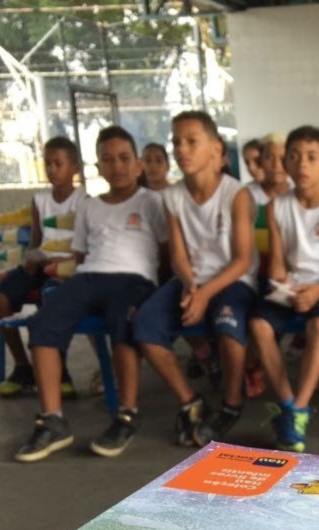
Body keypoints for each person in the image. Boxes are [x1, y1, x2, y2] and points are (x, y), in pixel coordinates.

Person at [14, 125, 168, 462]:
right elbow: (81, 255)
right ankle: (52, 419)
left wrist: (160, 291)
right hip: (89, 276)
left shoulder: (152, 201)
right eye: (108, 160)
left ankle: (126, 414)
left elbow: (167, 249)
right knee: (43, 324)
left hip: (135, 279)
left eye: (124, 158)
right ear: (98, 167)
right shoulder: (90, 207)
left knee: (123, 324)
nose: (117, 166)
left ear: (138, 164)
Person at [132, 111, 257, 447]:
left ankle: (231, 404)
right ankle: (190, 401)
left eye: (191, 142)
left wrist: (204, 294)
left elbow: (243, 260)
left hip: (233, 281)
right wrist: (190, 286)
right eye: (176, 142)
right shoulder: (172, 197)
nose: (181, 149)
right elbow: (178, 256)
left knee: (229, 327)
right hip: (192, 281)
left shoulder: (236, 194)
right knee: (145, 326)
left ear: (216, 149)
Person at [248, 126, 319, 453]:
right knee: (259, 325)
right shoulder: (276, 207)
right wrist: (283, 283)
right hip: (297, 282)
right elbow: (278, 264)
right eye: (294, 156)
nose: (302, 164)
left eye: (312, 157)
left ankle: (301, 407)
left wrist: (315, 293)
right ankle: (288, 404)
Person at [0, 136, 86, 399]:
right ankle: (23, 368)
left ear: (74, 168)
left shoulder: (84, 201)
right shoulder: (39, 199)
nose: (52, 169)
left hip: (68, 269)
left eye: (58, 163)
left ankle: (61, 372)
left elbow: (84, 248)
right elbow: (36, 242)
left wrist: (62, 263)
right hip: (40, 264)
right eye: (48, 164)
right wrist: (31, 260)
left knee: (50, 298)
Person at [248, 133, 291, 209]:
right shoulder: (245, 196)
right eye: (269, 157)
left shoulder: (300, 193)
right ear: (260, 161)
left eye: (283, 158)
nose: (276, 165)